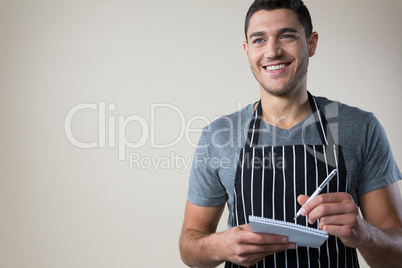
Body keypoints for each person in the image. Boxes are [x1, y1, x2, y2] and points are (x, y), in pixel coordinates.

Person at [179, 0, 402, 267]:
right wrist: (219, 246)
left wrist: (365, 234)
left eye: (286, 36)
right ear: (247, 50)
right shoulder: (218, 136)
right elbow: (189, 245)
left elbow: (397, 254)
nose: (272, 51)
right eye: (259, 40)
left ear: (311, 43)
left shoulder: (361, 127)